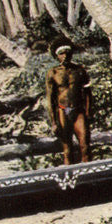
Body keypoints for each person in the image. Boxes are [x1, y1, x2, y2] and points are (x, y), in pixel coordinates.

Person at [45, 37, 93, 165]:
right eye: (61, 53)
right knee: (67, 150)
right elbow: (50, 99)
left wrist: (88, 112)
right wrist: (53, 121)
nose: (65, 56)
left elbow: (88, 93)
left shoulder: (80, 71)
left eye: (67, 52)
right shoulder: (53, 73)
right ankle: (70, 179)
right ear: (57, 56)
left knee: (85, 146)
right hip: (62, 111)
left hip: (78, 111)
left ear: (71, 54)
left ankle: (89, 175)